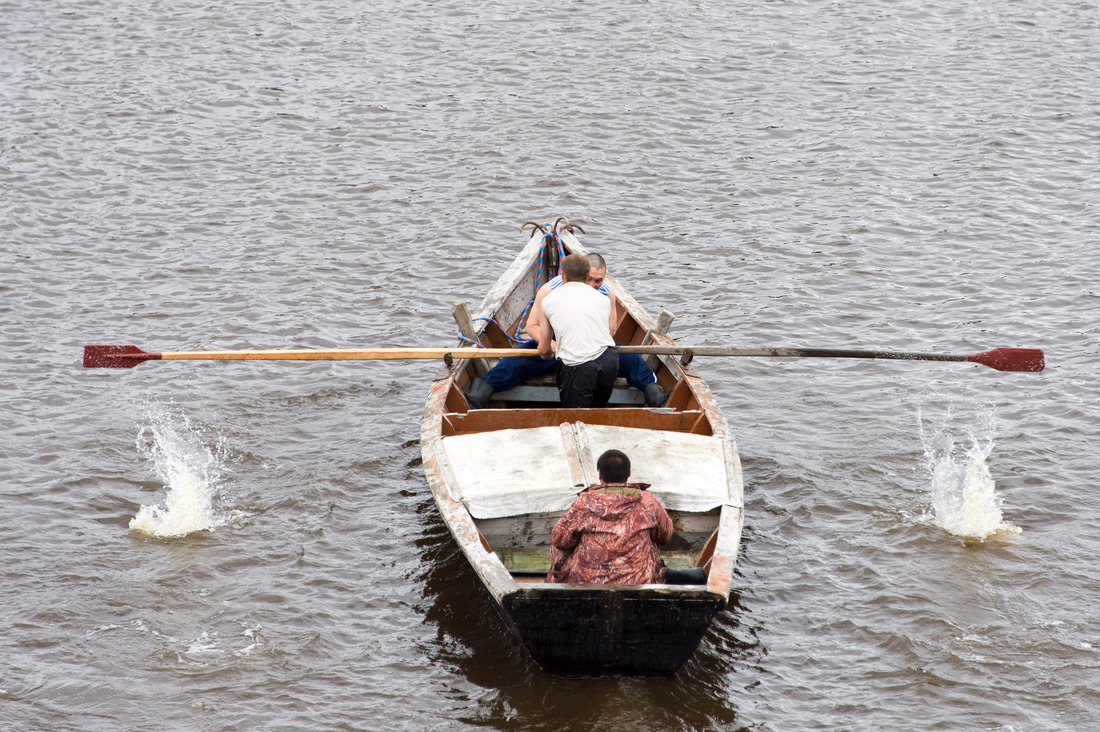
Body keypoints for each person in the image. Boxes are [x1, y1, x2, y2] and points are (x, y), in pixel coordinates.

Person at [465, 253, 666, 408]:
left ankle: (652, 389)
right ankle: (484, 388)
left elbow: (610, 331)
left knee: (631, 359)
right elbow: (532, 326)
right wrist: (553, 344)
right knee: (519, 359)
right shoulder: (550, 291)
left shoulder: (607, 294)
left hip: (588, 347)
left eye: (599, 281)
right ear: (581, 274)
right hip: (554, 343)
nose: (594, 285)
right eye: (590, 279)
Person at [545, 449, 673, 584]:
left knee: (558, 547)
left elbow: (558, 539)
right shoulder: (648, 502)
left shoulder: (583, 503)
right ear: (629, 474)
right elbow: (665, 535)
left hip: (588, 583)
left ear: (599, 474)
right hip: (638, 583)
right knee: (652, 539)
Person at [535, 254, 619, 408]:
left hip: (579, 366)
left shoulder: (548, 300)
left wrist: (547, 354)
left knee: (576, 419)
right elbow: (609, 331)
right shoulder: (604, 298)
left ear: (563, 275)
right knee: (599, 413)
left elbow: (544, 349)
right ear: (587, 276)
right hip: (609, 362)